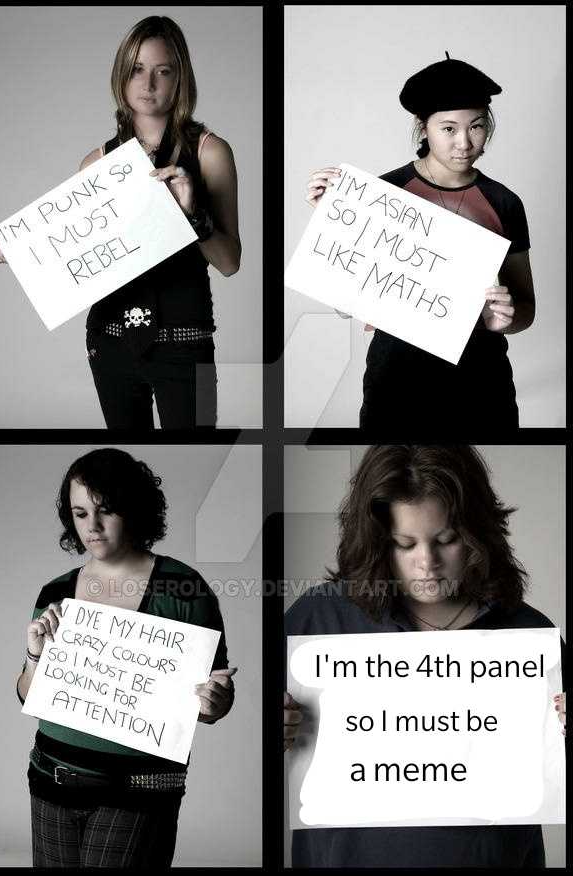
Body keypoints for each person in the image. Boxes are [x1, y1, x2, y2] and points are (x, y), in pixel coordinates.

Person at [284, 445, 565, 868]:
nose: (426, 563)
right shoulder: (318, 619)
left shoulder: (529, 636)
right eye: (404, 543)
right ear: (378, 542)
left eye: (446, 540)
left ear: (476, 534)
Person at [0, 15, 240, 429]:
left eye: (164, 71)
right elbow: (77, 255)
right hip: (110, 342)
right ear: (121, 76)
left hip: (184, 342)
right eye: (138, 70)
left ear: (181, 78)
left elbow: (230, 262)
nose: (149, 84)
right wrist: (26, 254)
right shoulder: (96, 162)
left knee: (198, 443)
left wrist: (190, 215)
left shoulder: (211, 152)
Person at [17, 448, 236, 868]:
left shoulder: (183, 589)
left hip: (139, 789)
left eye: (106, 511)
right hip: (50, 779)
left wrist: (216, 703)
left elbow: (212, 701)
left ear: (133, 509)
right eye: (80, 514)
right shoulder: (55, 593)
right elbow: (29, 696)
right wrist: (33, 656)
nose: (92, 527)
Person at [306, 55, 535, 430]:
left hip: (481, 382)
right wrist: (330, 222)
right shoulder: (383, 193)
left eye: (476, 127)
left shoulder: (505, 202)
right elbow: (345, 306)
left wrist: (504, 321)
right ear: (423, 128)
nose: (464, 142)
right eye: (448, 128)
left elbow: (526, 309)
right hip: (396, 381)